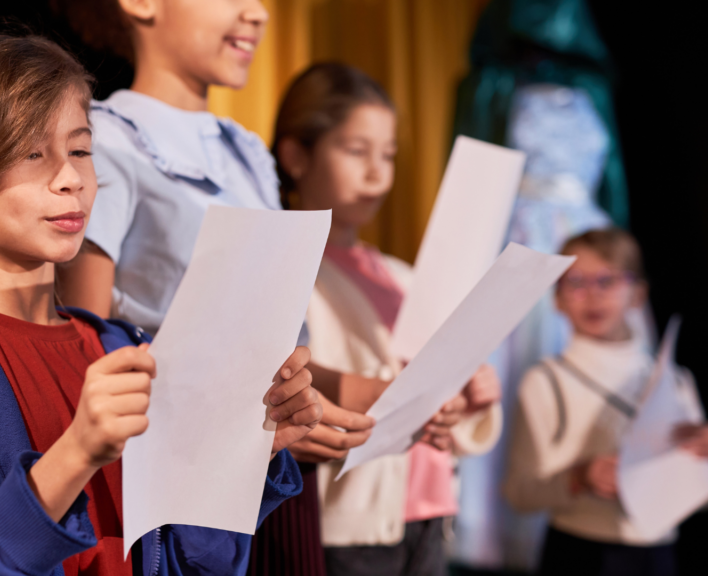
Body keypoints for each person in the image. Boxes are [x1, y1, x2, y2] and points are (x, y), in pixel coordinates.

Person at [0, 33, 323, 576]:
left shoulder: (123, 349)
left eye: (80, 151)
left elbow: (191, 559)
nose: (71, 179)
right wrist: (76, 454)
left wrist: (245, 452)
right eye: (30, 154)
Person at [56, 3, 471, 574]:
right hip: (179, 487)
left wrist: (384, 397)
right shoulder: (108, 143)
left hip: (275, 481)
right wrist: (249, 426)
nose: (256, 14)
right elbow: (84, 358)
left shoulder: (246, 152)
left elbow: (270, 351)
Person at [272, 62, 503, 576]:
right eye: (357, 151)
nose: (377, 173)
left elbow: (440, 391)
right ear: (296, 155)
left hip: (430, 512)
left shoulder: (403, 275)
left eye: (389, 155)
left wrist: (467, 398)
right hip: (350, 525)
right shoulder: (282, 270)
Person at [503, 228, 708, 576]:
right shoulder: (546, 381)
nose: (593, 295)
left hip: (657, 555)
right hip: (579, 551)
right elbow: (519, 493)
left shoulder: (675, 380)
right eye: (576, 282)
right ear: (557, 298)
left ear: (638, 294)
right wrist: (580, 476)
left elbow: (705, 497)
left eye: (607, 280)